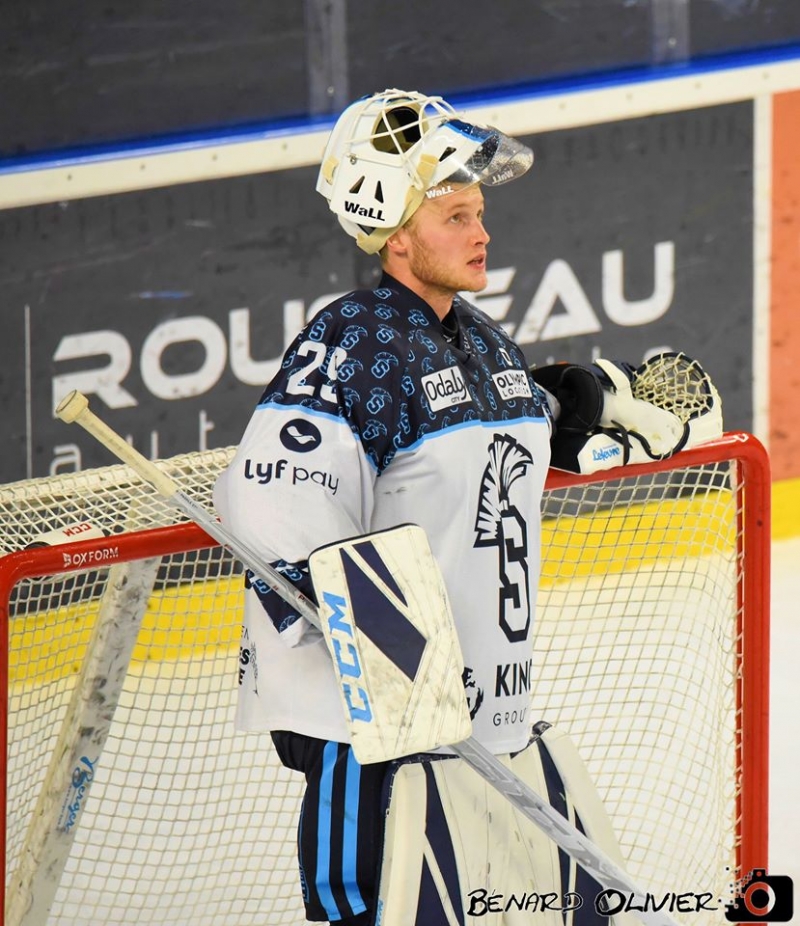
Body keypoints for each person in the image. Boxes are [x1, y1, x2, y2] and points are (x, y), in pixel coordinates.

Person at [214, 89, 635, 926]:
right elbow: (271, 501)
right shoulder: (352, 344)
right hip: (370, 735)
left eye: (479, 211)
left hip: (481, 719)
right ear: (394, 234)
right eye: (455, 216)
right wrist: (400, 672)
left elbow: (471, 474)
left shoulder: (483, 341)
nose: (482, 233)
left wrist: (564, 406)